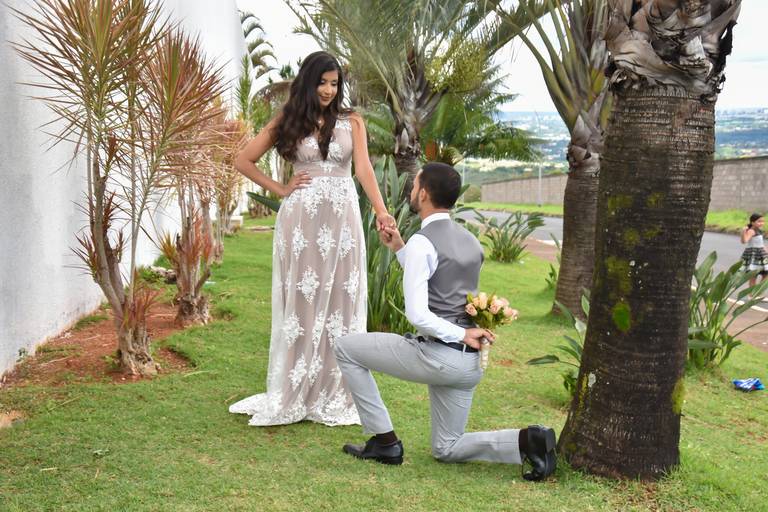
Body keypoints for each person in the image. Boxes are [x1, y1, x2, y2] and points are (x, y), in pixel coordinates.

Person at [332, 162, 557, 481]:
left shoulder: (423, 242)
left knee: (345, 348)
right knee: (446, 447)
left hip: (438, 355)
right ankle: (528, 440)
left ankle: (384, 442)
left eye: (414, 186)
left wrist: (461, 334)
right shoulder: (471, 241)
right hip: (469, 365)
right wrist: (399, 247)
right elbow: (443, 283)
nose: (411, 191)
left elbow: (418, 315)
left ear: (423, 194)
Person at [229, 51, 395, 426]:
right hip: (301, 223)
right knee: (303, 299)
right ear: (308, 81)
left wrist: (382, 211)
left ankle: (336, 387)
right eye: (322, 82)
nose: (328, 90)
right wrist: (280, 189)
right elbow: (243, 160)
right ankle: (298, 385)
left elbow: (364, 169)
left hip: (343, 222)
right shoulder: (288, 119)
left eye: (334, 83)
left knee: (341, 298)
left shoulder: (353, 122)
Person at [740, 213, 768, 290]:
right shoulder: (751, 231)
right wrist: (743, 232)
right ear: (752, 222)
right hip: (753, 255)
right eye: (759, 221)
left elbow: (761, 244)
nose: (762, 223)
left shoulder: (759, 230)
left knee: (765, 273)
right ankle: (752, 294)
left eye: (763, 221)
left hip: (761, 255)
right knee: (753, 275)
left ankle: (757, 291)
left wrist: (766, 251)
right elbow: (744, 241)